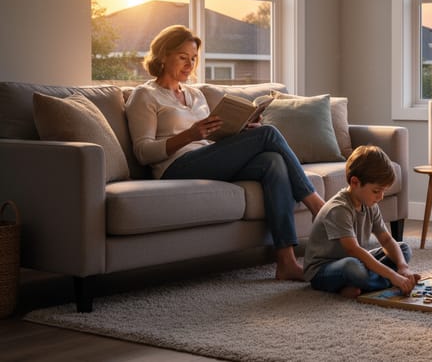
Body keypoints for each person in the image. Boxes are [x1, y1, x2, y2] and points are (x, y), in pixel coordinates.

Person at [125, 25, 324, 282]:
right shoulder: (145, 95)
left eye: (193, 58)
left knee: (272, 161)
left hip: (207, 159)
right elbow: (142, 152)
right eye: (183, 57)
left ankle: (285, 261)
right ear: (163, 56)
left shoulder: (195, 95)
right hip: (175, 167)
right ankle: (318, 205)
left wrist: (243, 129)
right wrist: (189, 135)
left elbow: (214, 137)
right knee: (269, 134)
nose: (189, 64)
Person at [304, 145, 419, 298]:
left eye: (383, 191)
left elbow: (385, 239)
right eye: (376, 191)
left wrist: (402, 267)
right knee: (352, 268)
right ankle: (383, 282)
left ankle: (361, 285)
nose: (381, 197)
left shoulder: (370, 204)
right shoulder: (339, 209)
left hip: (356, 260)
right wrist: (393, 276)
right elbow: (354, 250)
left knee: (403, 249)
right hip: (324, 270)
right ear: (355, 182)